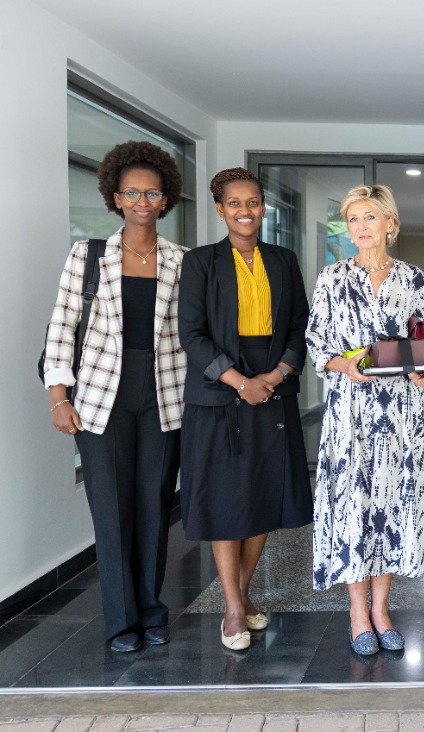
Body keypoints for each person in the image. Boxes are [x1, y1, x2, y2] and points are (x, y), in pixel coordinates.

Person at [42, 141, 187, 653]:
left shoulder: (181, 260)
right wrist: (59, 397)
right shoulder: (89, 255)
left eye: (152, 192)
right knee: (111, 508)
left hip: (165, 396)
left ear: (165, 199)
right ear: (116, 198)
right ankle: (120, 621)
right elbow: (62, 326)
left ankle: (151, 611)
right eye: (133, 192)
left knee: (154, 506)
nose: (143, 200)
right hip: (100, 395)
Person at [178, 167, 313, 651]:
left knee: (262, 495)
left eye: (252, 201)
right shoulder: (200, 262)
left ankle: (244, 593)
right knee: (223, 499)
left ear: (263, 206)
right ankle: (234, 607)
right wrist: (239, 381)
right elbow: (190, 334)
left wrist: (275, 376)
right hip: (219, 392)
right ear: (220, 209)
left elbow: (300, 324)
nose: (244, 211)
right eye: (234, 203)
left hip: (273, 387)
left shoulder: (283, 259)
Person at [305, 184, 424, 656]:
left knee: (390, 506)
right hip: (350, 409)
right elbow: (316, 341)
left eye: (370, 217)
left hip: (402, 411)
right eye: (354, 219)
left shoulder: (412, 278)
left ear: (390, 223)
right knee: (353, 506)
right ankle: (356, 612)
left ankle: (382, 610)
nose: (361, 227)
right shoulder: (332, 278)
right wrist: (345, 365)